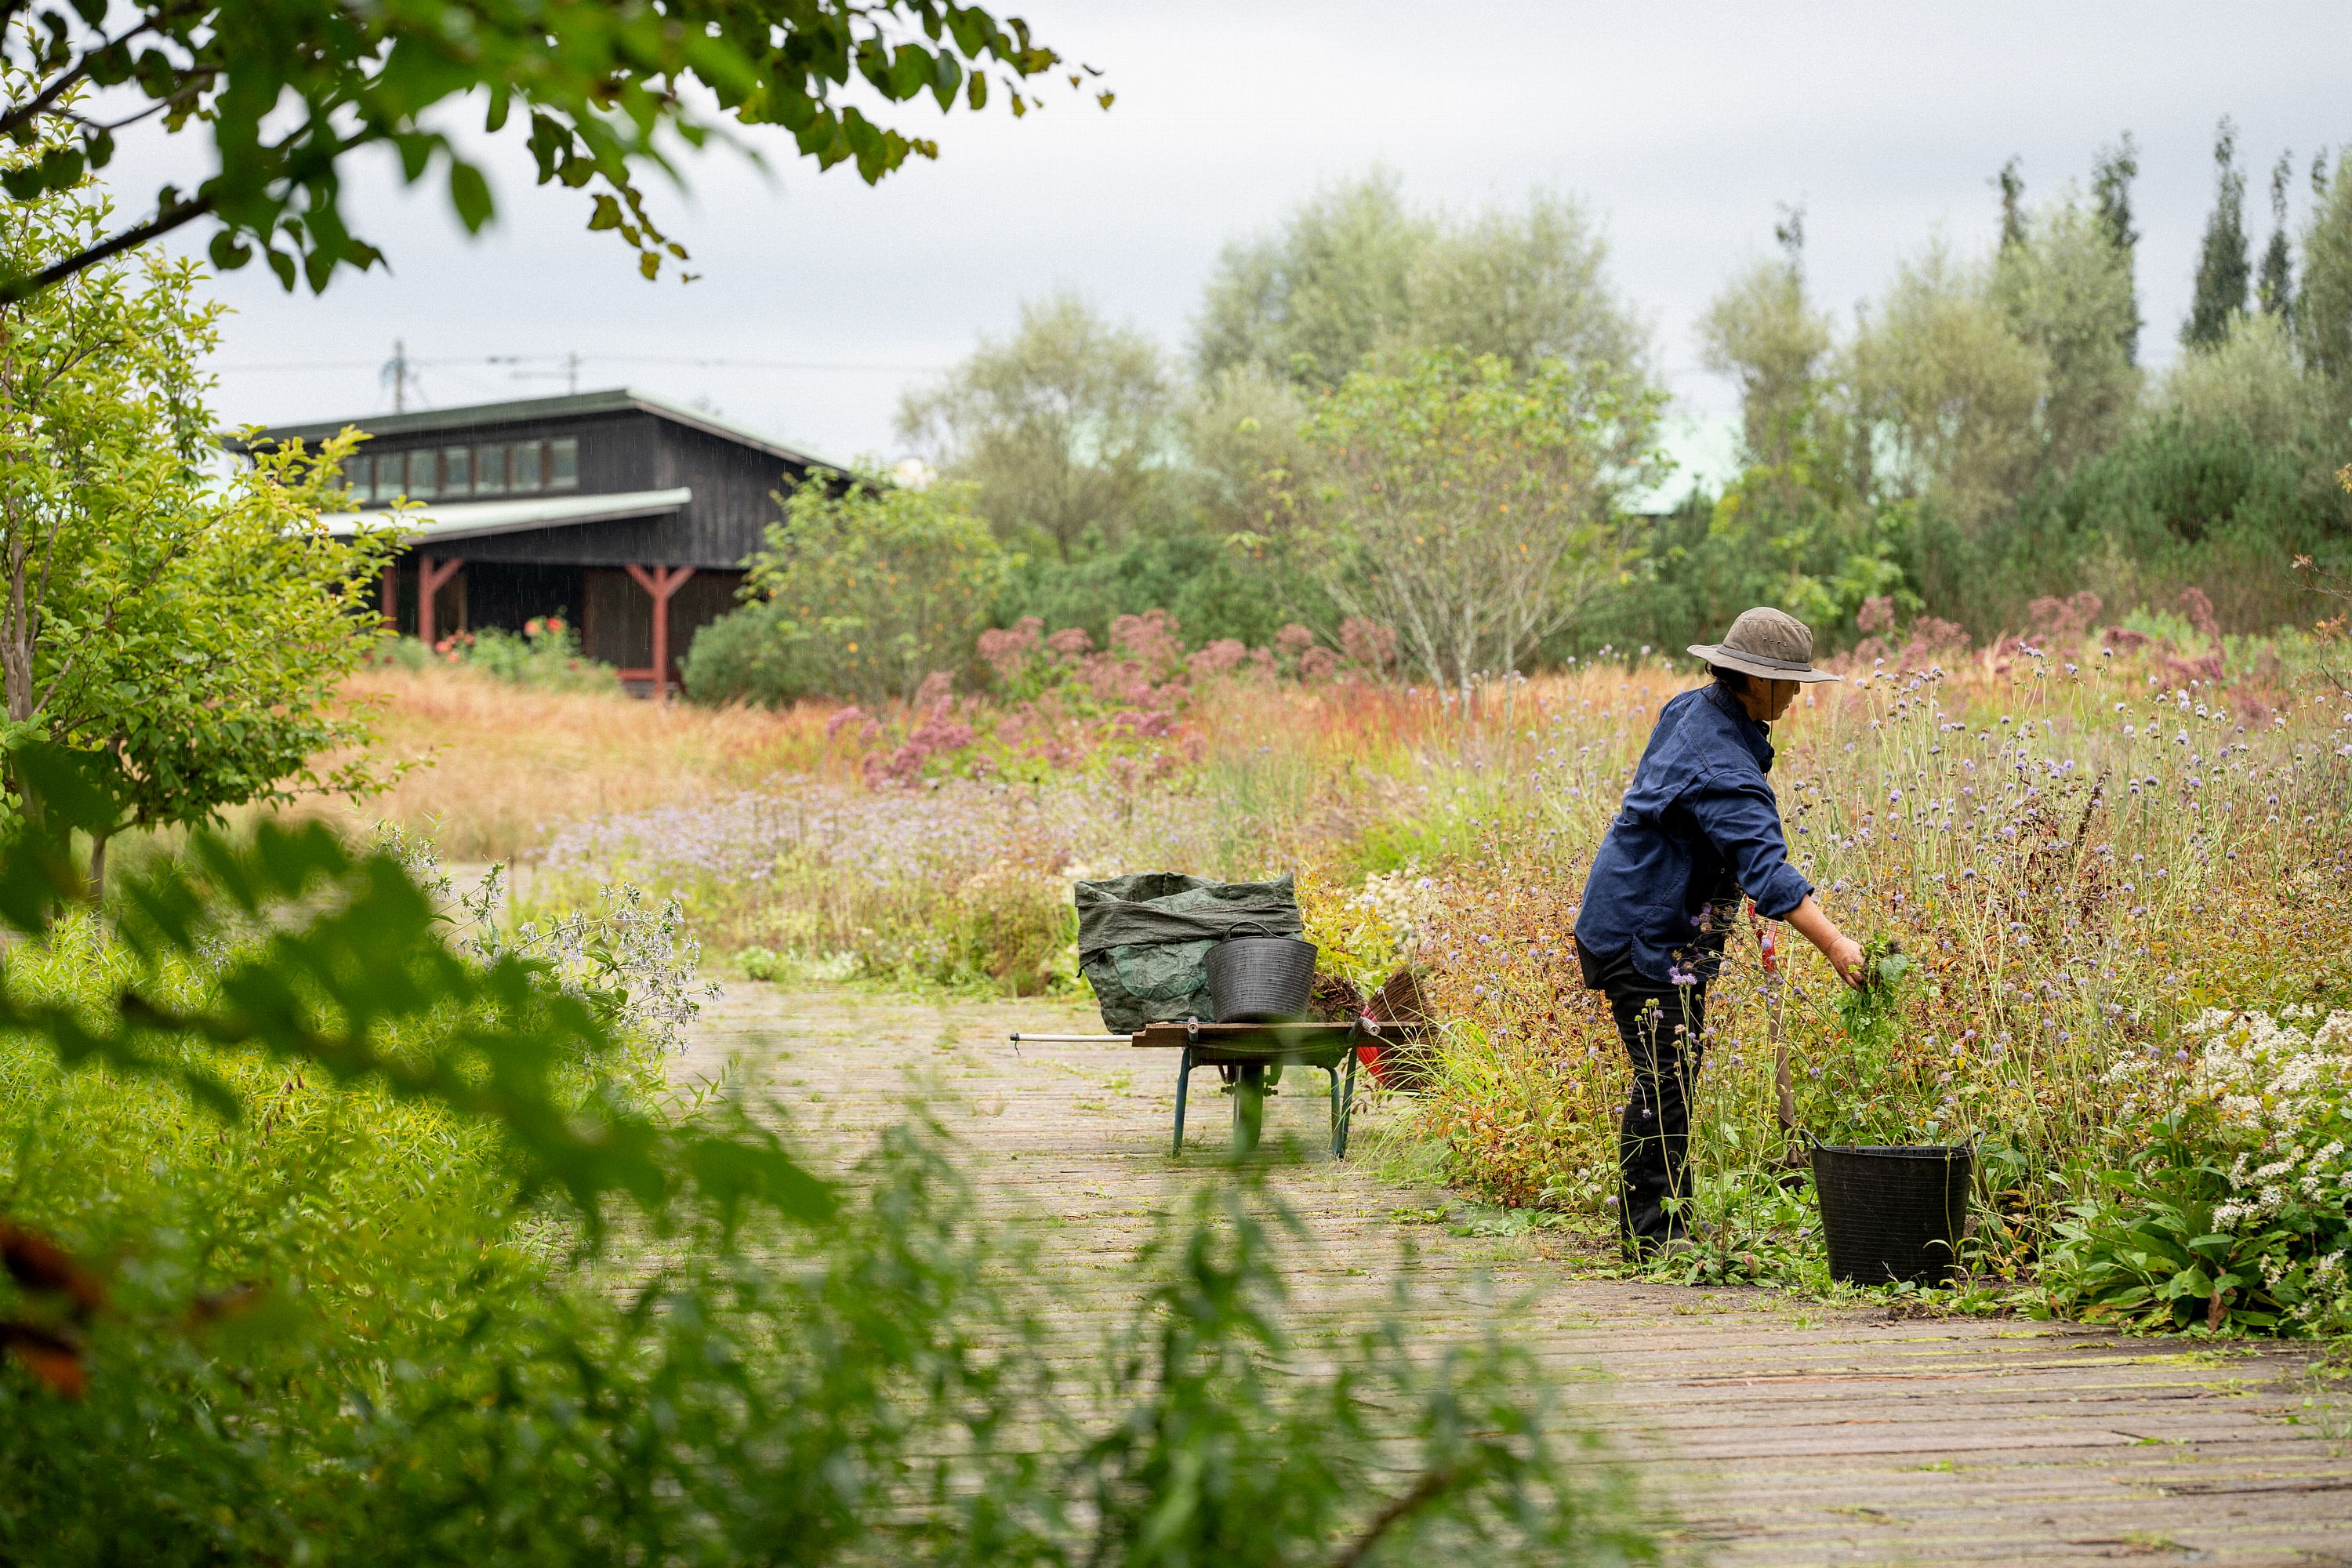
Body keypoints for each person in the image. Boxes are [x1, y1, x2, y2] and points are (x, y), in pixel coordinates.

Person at [1573, 607, 1864, 1260]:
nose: (1794, 695)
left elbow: (1707, 832)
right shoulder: (1725, 767)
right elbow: (1769, 871)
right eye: (1788, 683)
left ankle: (1661, 1222)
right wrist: (1837, 944)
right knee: (1665, 1078)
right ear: (1753, 681)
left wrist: (1724, 876)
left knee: (1670, 1073)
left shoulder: (1692, 709)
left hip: (1641, 918)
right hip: (1643, 935)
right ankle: (1655, 1236)